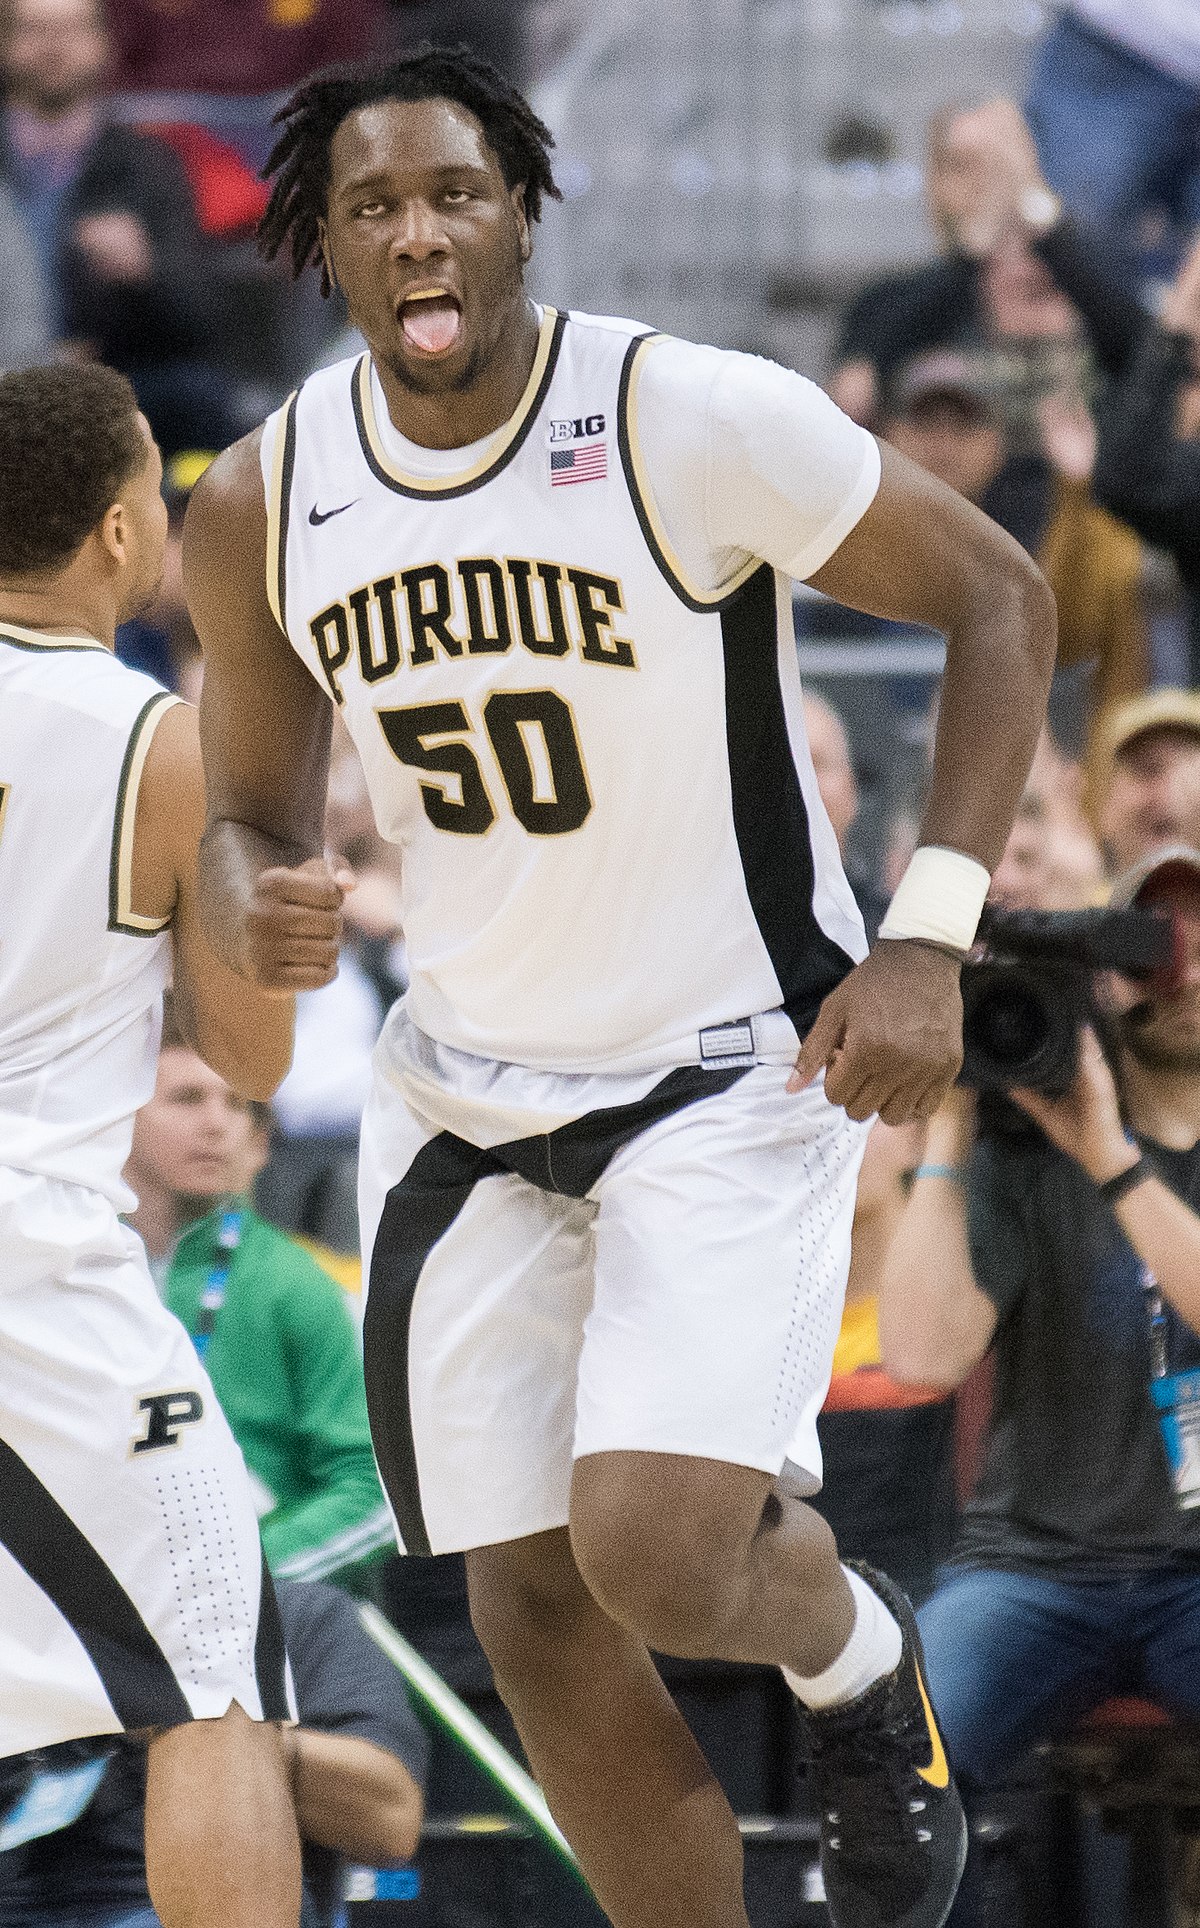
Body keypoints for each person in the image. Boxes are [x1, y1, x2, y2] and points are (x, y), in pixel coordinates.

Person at [183, 46, 1056, 1928]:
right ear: (323, 247)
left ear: (519, 212)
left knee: (658, 1552)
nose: (418, 233)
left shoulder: (685, 412)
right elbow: (245, 811)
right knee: (529, 1611)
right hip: (465, 1092)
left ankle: (848, 1655)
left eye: (455, 195)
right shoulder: (261, 498)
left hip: (730, 1061)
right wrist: (255, 892)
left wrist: (928, 931)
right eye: (372, 206)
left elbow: (1001, 599)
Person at [0, 362, 324, 1923]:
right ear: (126, 531)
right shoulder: (156, 740)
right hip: (27, 1262)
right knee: (215, 1680)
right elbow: (246, 1058)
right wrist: (277, 928)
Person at [878, 842, 1200, 1913]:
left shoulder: (1090, 1144)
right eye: (1158, 941)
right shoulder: (1021, 1138)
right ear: (1111, 972)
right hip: (1034, 1570)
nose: (1184, 967)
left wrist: (1111, 1154)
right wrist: (956, 1114)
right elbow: (924, 1354)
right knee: (891, 1770)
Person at [125, 1011, 395, 1590]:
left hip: (281, 1617)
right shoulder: (70, 1273)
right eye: (187, 1098)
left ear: (261, 1144)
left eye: (238, 1105)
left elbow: (373, 1493)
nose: (217, 1123)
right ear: (118, 1119)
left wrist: (236, 1574)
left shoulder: (297, 1286)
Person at [0, 1576, 427, 1928]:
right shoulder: (17, 1628)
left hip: (185, 1903)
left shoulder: (290, 1611)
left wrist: (181, 1713)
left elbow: (389, 1822)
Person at [0, 0, 244, 454]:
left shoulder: (146, 164)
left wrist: (145, 271)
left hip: (119, 378)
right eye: (34, 30)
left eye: (72, 30)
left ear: (102, 44)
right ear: (5, 43)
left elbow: (203, 317)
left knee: (198, 398)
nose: (55, 47)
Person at [1091, 689, 1200, 874]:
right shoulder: (1065, 900)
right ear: (1104, 805)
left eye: (1190, 775)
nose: (1170, 793)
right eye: (1149, 770)